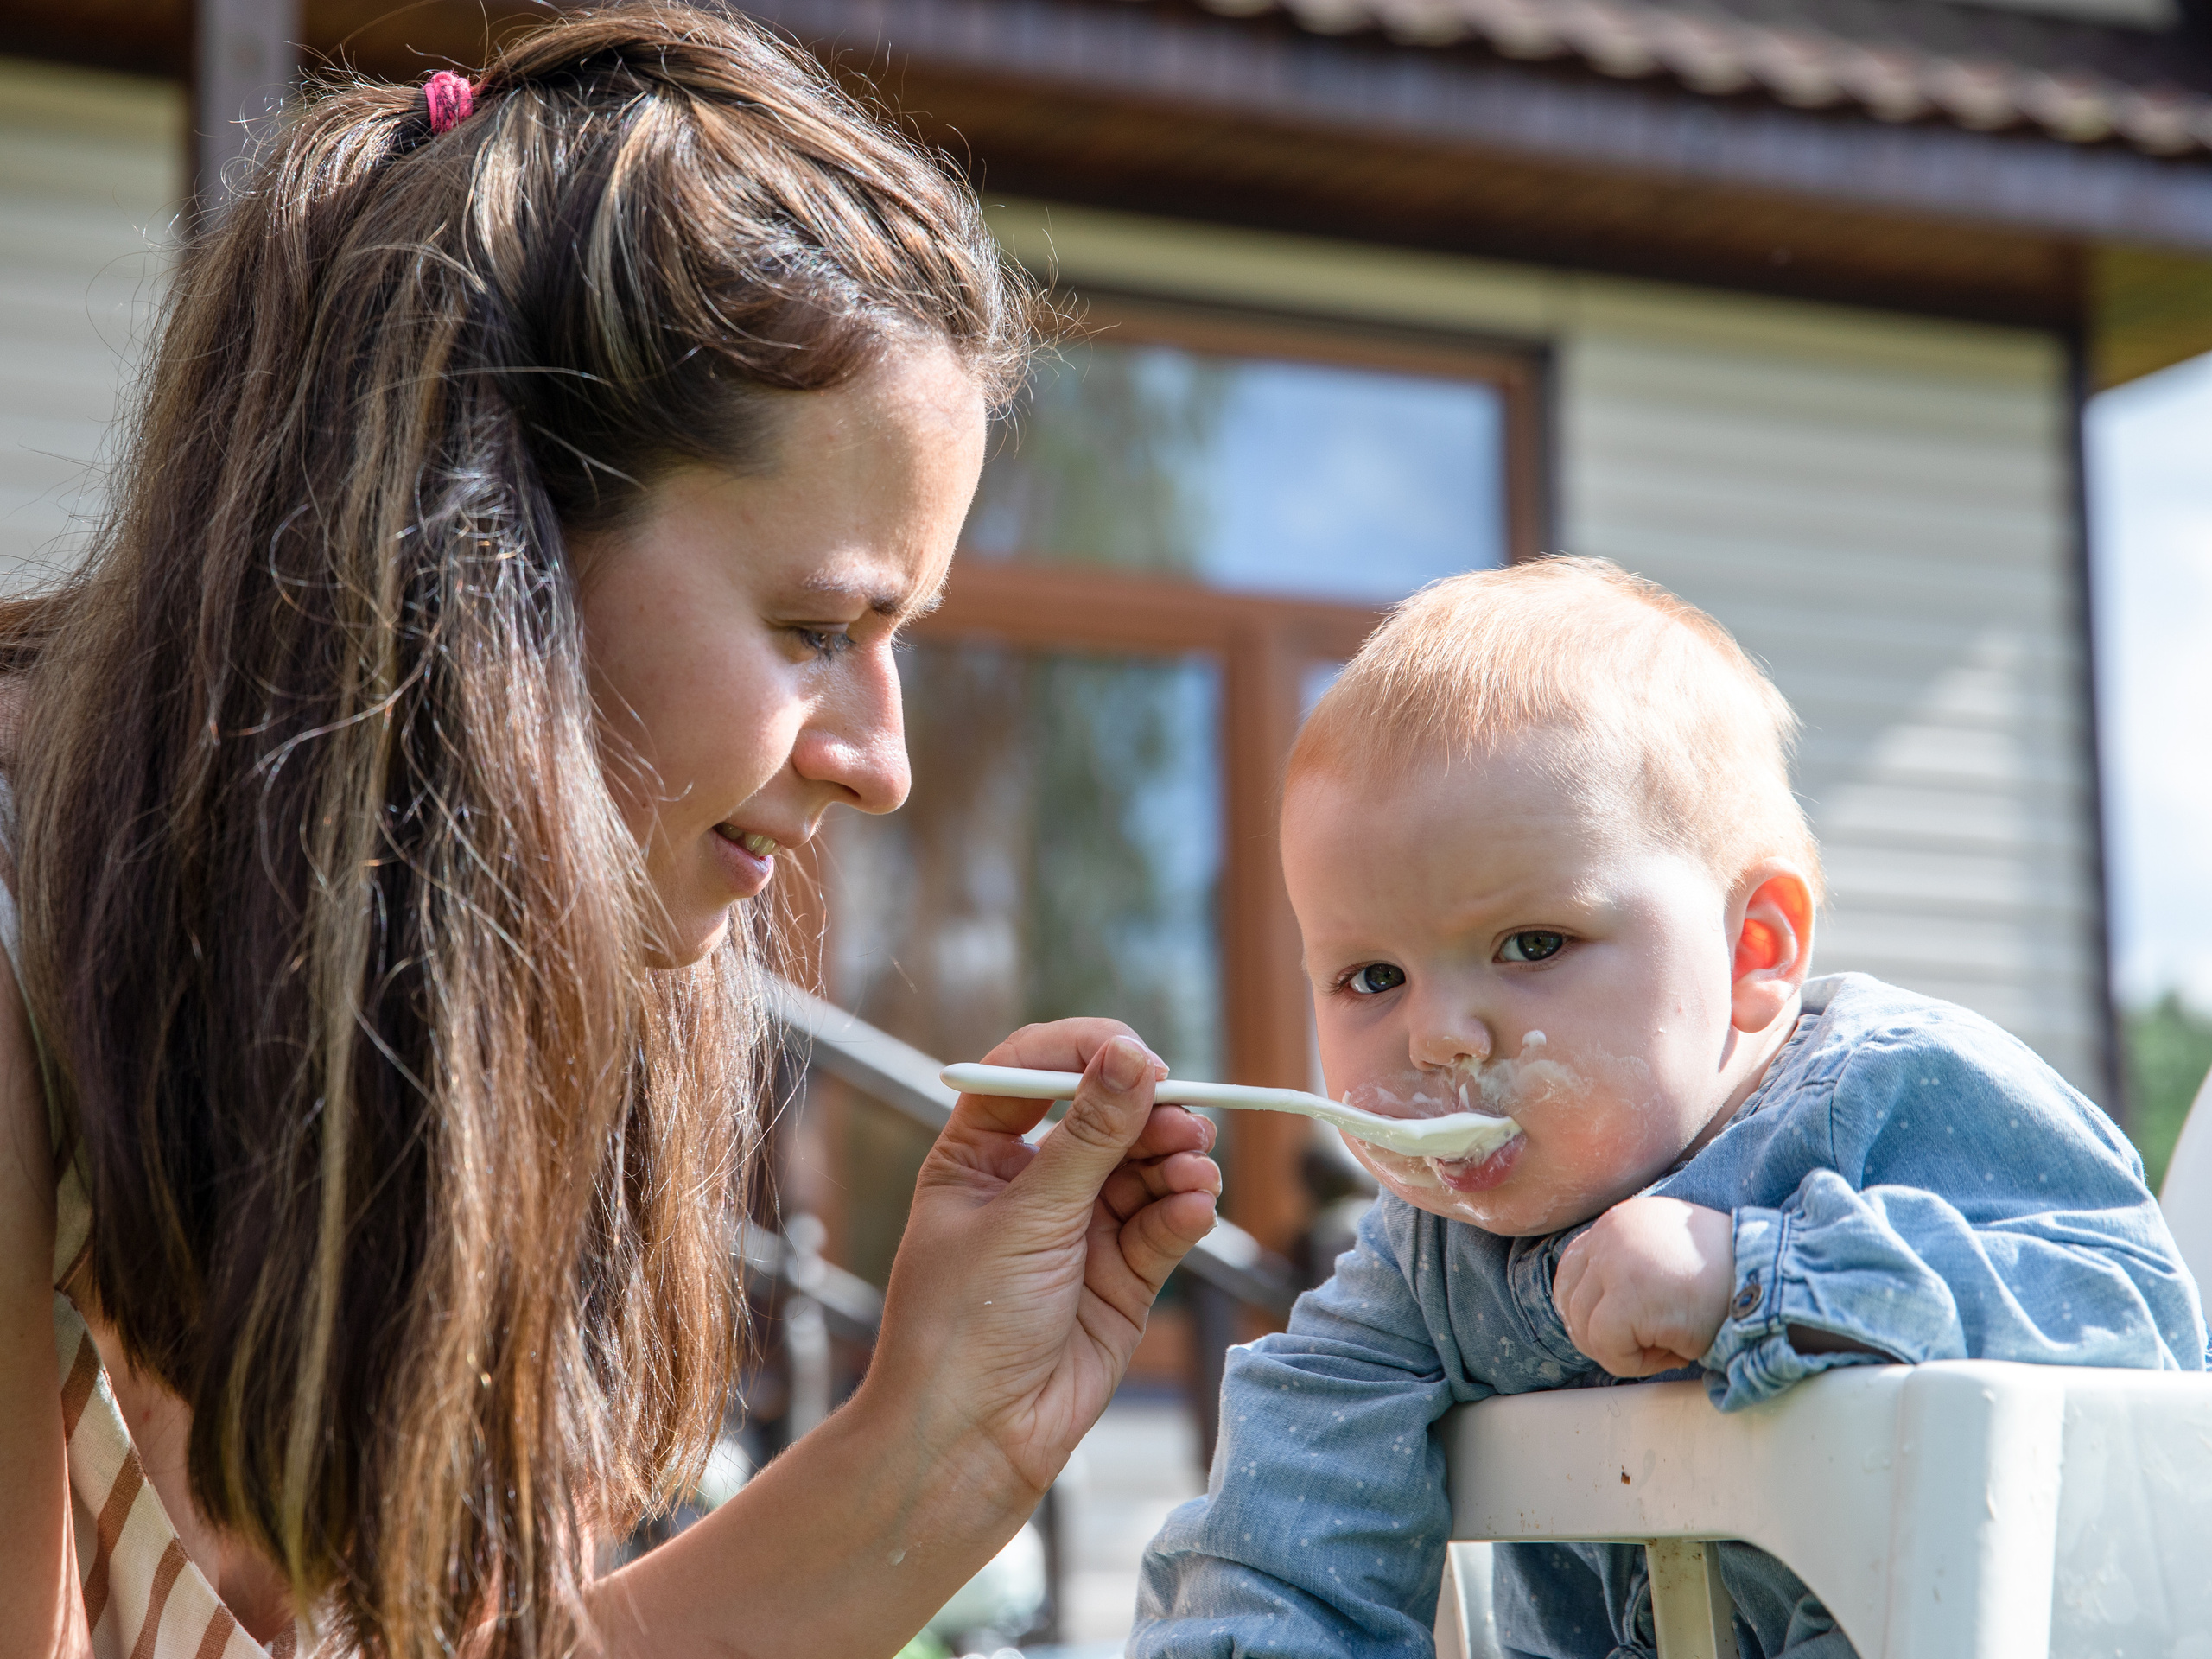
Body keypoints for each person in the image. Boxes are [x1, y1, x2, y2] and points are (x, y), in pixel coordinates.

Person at [0, 8, 1224, 1656]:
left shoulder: (461, 1050)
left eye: (899, 639)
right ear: (486, 552)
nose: (885, 763)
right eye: (815, 628)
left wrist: (946, 1438)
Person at [1130, 557, 2205, 1658]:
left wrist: (1761, 1274)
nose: (1436, 1035)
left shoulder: (1898, 1092)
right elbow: (1287, 1515)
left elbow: (2133, 1319)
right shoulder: (1424, 1265)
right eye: (1371, 978)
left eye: (1533, 944)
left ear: (1753, 951)